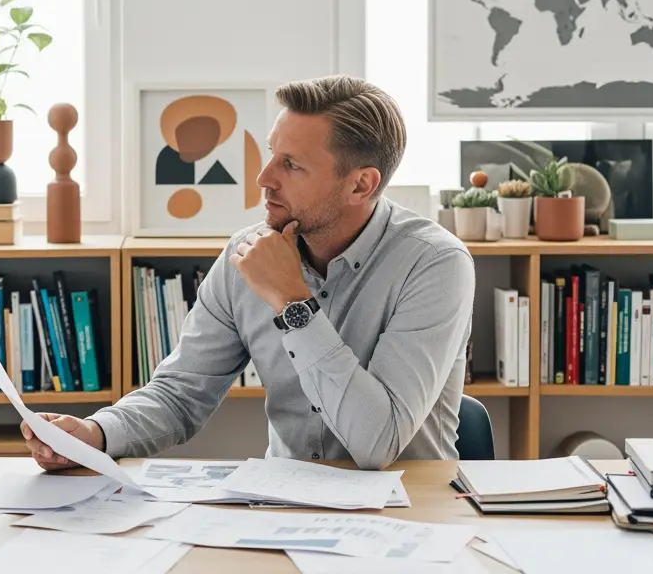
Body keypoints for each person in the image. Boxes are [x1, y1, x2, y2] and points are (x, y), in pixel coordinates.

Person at [24, 76, 475, 471]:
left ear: (361, 184)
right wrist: (94, 433)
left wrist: (293, 302)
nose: (263, 177)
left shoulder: (435, 264)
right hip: (285, 510)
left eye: (291, 165)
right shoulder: (245, 254)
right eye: (271, 154)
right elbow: (181, 394)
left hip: (411, 516)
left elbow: (378, 445)